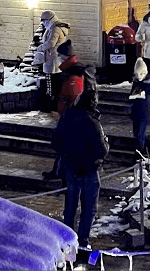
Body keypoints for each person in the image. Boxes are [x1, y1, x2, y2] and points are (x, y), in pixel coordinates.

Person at [51, 89, 108, 250]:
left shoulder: (68, 116)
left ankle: (67, 240)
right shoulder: (92, 121)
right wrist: (106, 143)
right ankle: (82, 242)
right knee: (89, 208)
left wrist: (67, 154)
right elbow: (102, 150)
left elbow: (56, 142)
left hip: (71, 167)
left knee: (70, 205)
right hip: (89, 169)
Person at [128, 58, 150, 157]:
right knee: (137, 133)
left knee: (140, 135)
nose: (138, 76)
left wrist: (143, 96)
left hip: (145, 112)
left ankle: (138, 156)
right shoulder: (137, 82)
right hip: (136, 112)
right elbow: (131, 94)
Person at [55, 41, 86, 116]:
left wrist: (64, 113)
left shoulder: (74, 73)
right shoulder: (70, 70)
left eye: (59, 55)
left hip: (70, 115)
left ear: (64, 57)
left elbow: (73, 97)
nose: (58, 57)